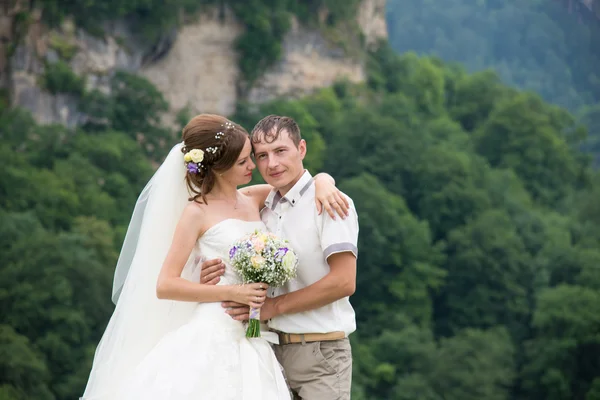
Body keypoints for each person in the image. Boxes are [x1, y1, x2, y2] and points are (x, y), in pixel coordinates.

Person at [80, 114, 348, 400]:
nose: (254, 167)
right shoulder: (196, 212)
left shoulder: (256, 197)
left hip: (254, 336)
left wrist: (324, 180)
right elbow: (165, 284)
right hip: (213, 330)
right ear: (219, 168)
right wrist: (232, 291)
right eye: (244, 161)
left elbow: (298, 187)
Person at [201, 115, 359, 400]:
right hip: (267, 354)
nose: (271, 164)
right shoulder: (263, 205)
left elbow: (344, 282)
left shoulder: (329, 202)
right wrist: (204, 270)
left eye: (280, 151)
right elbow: (212, 209)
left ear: (301, 149)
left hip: (320, 354)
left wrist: (273, 307)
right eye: (261, 156)